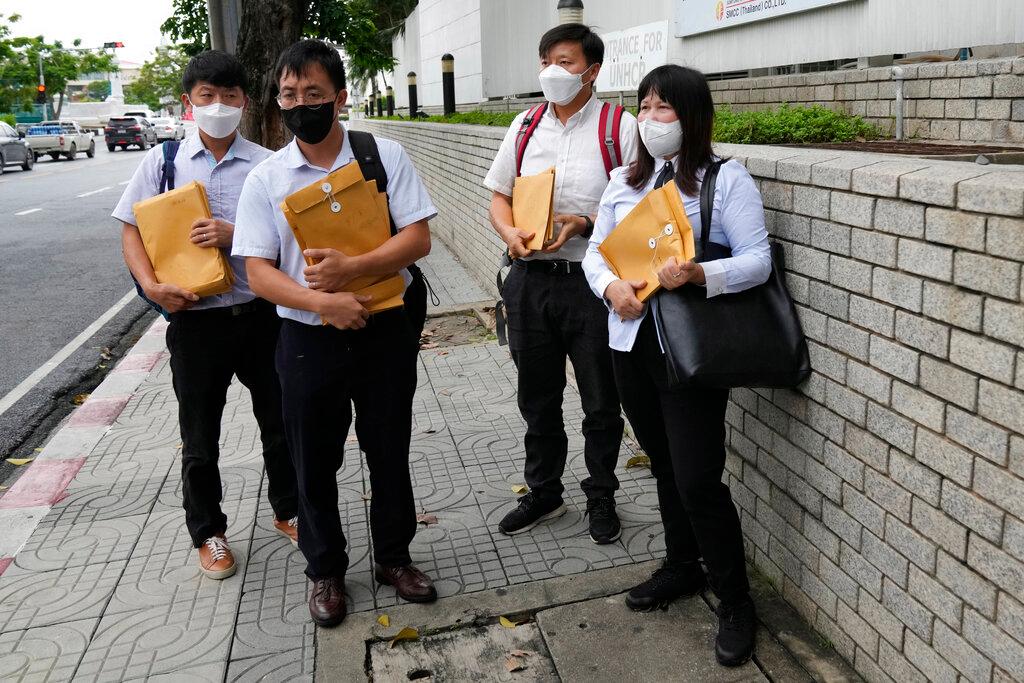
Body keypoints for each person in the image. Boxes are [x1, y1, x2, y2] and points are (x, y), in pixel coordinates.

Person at [232, 39, 438, 628]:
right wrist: (324, 300)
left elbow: (417, 239)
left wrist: (353, 270)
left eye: (314, 93)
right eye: (291, 95)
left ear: (340, 98)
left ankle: (394, 559)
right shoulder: (266, 179)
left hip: (384, 329)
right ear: (278, 102)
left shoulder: (381, 155)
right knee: (312, 460)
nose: (303, 104)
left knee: (388, 448)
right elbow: (257, 272)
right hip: (305, 340)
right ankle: (325, 569)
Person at [582, 64, 771, 667]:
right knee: (663, 466)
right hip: (629, 343)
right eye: (644, 106)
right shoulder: (624, 180)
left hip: (688, 350)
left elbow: (758, 261)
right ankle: (681, 567)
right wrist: (611, 287)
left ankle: (736, 598)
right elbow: (596, 253)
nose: (651, 118)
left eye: (663, 107)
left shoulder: (724, 180)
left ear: (692, 117)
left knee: (697, 477)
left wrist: (699, 273)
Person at [112, 50, 300, 580]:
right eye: (207, 96)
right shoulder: (164, 161)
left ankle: (289, 511)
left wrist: (233, 235)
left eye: (230, 96)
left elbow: (288, 238)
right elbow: (131, 228)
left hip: (262, 315)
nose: (219, 106)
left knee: (281, 422)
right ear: (188, 102)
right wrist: (152, 288)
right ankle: (209, 532)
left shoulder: (267, 162)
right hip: (195, 323)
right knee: (199, 434)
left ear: (246, 101)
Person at [483, 24, 638, 544]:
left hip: (592, 284)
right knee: (538, 396)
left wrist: (586, 224)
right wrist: (509, 233)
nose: (553, 70)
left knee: (601, 400)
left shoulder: (621, 127)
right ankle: (544, 491)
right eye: (546, 59)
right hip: (530, 283)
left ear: (592, 71)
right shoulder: (524, 125)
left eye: (566, 61)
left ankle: (601, 495)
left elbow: (639, 210)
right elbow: (499, 195)